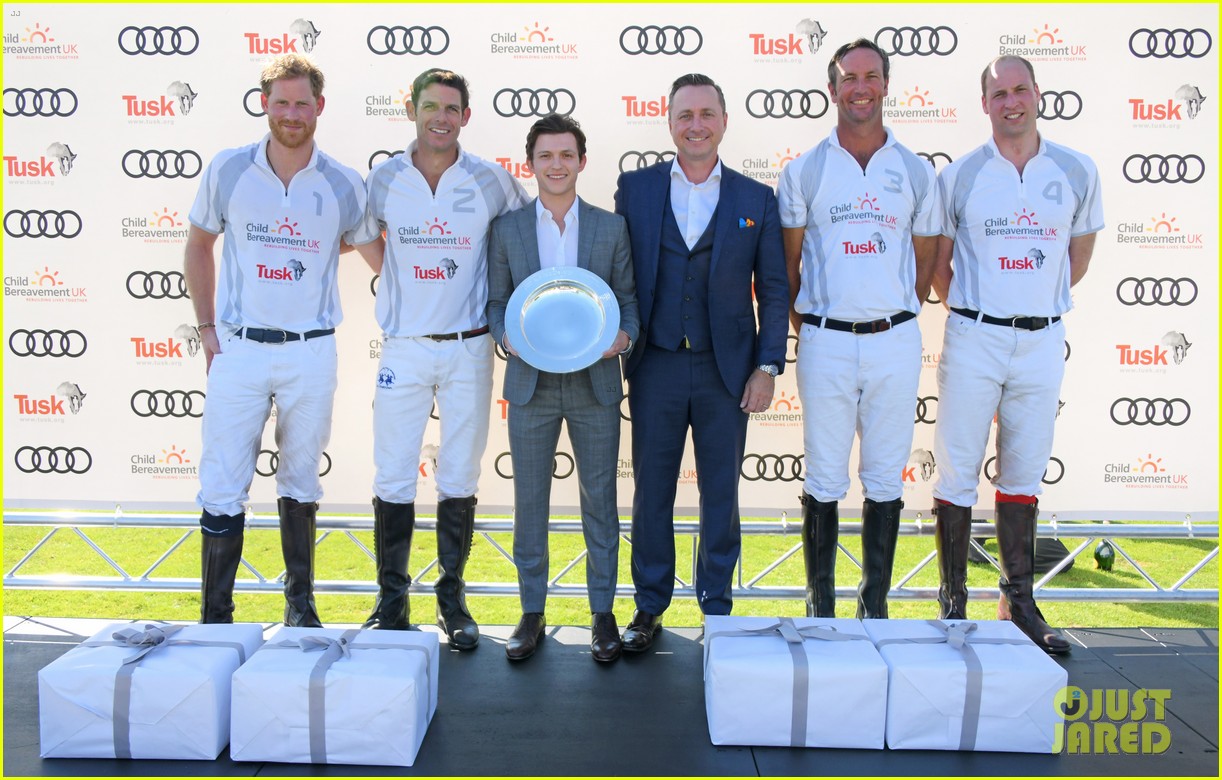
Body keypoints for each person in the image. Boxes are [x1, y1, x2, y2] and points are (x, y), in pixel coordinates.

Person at [185, 54, 383, 625]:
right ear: (264, 104)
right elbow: (198, 246)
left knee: (300, 478)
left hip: (311, 349)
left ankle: (300, 606)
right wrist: (206, 329)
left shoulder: (345, 182)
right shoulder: (228, 170)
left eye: (302, 103)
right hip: (239, 348)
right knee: (223, 481)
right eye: (281, 102)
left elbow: (379, 259)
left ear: (320, 106)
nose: (292, 113)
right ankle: (215, 614)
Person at [930, 55, 1102, 654]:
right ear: (984, 104)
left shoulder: (1077, 170)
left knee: (1024, 468)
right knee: (956, 468)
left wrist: (1033, 305)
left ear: (1037, 94)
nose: (1011, 102)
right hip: (975, 336)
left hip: (1043, 338)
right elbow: (939, 268)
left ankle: (1018, 599)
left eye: (1020, 90)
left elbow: (1076, 259)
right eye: (998, 93)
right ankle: (952, 598)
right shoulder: (960, 175)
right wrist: (983, 311)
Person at [614, 73, 788, 651]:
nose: (696, 125)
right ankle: (649, 606)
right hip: (656, 365)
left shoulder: (755, 197)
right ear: (669, 122)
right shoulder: (634, 189)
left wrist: (767, 365)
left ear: (724, 121)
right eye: (685, 114)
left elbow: (776, 287)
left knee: (721, 492)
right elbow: (620, 273)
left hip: (728, 371)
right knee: (652, 491)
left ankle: (716, 607)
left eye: (707, 114)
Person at [355, 68, 528, 647]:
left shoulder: (490, 180)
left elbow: (527, 234)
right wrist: (403, 282)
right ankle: (392, 600)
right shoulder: (383, 179)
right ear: (412, 110)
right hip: (404, 347)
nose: (441, 118)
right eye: (431, 106)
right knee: (394, 471)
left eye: (452, 109)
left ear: (466, 117)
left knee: (459, 473)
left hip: (470, 347)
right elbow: (367, 242)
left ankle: (452, 600)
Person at [777, 38, 940, 619]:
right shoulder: (805, 170)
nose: (860, 87)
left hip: (895, 341)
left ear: (887, 85)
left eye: (871, 76)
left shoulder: (916, 171)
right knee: (823, 473)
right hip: (826, 341)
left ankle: (874, 606)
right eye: (849, 78)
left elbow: (924, 265)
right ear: (833, 89)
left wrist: (892, 314)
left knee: (883, 476)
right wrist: (815, 324)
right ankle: (820, 602)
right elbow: (788, 264)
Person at [487, 114, 640, 663]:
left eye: (566, 155)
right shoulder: (507, 230)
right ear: (530, 164)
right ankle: (532, 611)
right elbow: (496, 302)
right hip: (530, 385)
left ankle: (603, 613)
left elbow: (628, 299)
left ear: (581, 161)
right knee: (531, 504)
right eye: (546, 156)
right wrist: (507, 335)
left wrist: (623, 337)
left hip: (594, 384)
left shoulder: (609, 227)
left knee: (600, 503)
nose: (556, 165)